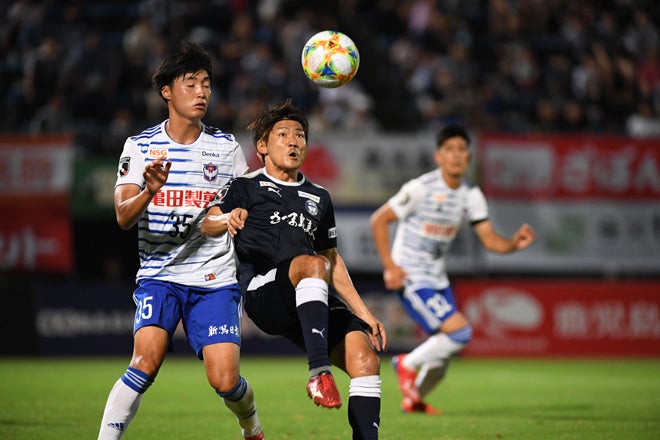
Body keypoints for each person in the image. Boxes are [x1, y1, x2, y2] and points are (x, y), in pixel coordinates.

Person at [97, 41, 264, 440]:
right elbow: (123, 216)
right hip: (159, 275)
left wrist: (232, 216)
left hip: (214, 279)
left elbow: (230, 212)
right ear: (167, 92)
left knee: (225, 381)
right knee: (144, 362)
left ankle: (252, 428)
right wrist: (149, 191)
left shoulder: (226, 149)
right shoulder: (140, 147)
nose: (202, 92)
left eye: (206, 84)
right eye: (191, 84)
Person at [201, 100, 387, 440]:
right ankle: (319, 373)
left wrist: (365, 313)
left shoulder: (319, 197)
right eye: (283, 134)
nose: (293, 141)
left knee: (365, 359)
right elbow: (207, 223)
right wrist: (227, 217)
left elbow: (332, 259)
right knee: (312, 264)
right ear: (262, 146)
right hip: (264, 293)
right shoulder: (246, 186)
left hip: (310, 293)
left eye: (300, 135)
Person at [369, 123, 536, 414]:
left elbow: (489, 239)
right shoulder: (421, 188)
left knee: (444, 355)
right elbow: (379, 219)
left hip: (438, 280)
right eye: (449, 149)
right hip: (411, 275)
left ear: (468, 157)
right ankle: (405, 364)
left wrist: (512, 244)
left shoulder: (471, 195)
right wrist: (390, 267)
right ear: (438, 156)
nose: (456, 155)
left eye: (461, 150)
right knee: (460, 333)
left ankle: (414, 401)